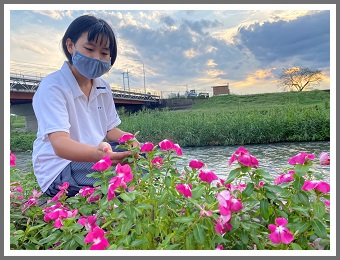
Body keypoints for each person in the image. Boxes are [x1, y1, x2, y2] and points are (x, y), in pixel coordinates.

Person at [32, 14, 139, 198]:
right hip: (60, 168)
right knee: (123, 179)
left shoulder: (103, 86)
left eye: (104, 53)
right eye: (89, 49)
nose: (97, 58)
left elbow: (110, 129)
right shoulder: (53, 87)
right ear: (70, 46)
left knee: (142, 159)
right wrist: (98, 155)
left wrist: (132, 142)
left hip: (94, 156)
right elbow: (60, 144)